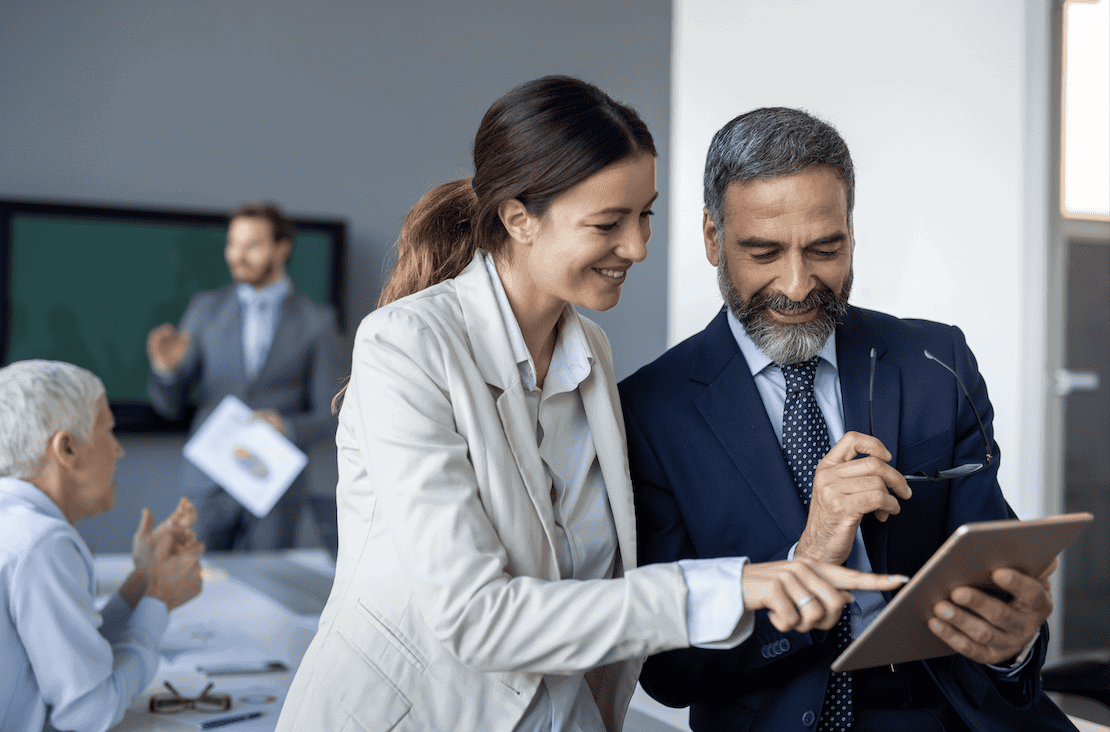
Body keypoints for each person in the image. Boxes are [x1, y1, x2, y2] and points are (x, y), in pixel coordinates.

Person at [276, 77, 905, 732]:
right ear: (520, 218)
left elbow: (593, 596)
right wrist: (731, 586)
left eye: (645, 215)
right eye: (608, 223)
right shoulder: (404, 347)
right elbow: (475, 618)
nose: (637, 247)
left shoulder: (590, 356)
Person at [619, 107, 1077, 731]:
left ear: (851, 233)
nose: (799, 284)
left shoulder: (934, 362)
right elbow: (669, 672)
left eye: (825, 249)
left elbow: (990, 572)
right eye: (763, 252)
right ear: (711, 237)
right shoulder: (650, 410)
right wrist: (805, 556)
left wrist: (1013, 641)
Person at [0, 359, 205, 732]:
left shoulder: (15, 524)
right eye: (108, 430)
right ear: (67, 449)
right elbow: (90, 711)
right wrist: (161, 597)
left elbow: (74, 656)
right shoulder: (43, 542)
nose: (119, 450)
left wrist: (143, 580)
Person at [147, 200, 343, 552]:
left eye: (252, 245)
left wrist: (288, 427)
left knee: (268, 595)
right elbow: (168, 406)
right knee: (194, 587)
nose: (238, 255)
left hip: (275, 487)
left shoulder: (318, 321)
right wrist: (167, 371)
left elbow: (334, 414)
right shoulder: (204, 310)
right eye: (232, 244)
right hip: (208, 483)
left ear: (282, 248)